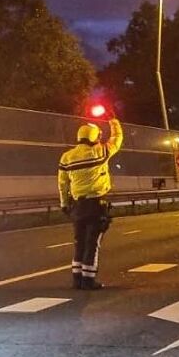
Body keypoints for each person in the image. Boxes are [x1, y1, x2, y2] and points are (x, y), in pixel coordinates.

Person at [58, 115, 123, 290]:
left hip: (77, 205)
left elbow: (62, 183)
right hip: (96, 205)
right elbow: (117, 140)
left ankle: (76, 279)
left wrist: (64, 204)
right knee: (92, 243)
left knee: (79, 241)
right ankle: (88, 280)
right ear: (95, 136)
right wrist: (113, 121)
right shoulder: (100, 151)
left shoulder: (66, 157)